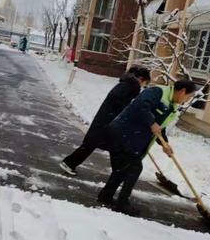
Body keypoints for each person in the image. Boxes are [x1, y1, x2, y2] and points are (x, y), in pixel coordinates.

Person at [98, 79, 197, 216]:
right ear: (182, 91)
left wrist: (165, 144)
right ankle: (122, 203)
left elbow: (160, 128)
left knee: (123, 168)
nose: (187, 100)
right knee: (134, 167)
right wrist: (151, 122)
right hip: (123, 133)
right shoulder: (157, 92)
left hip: (133, 138)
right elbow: (141, 105)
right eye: (189, 96)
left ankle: (106, 195)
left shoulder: (172, 107)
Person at [60, 66, 151, 176]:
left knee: (104, 146)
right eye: (145, 83)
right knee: (97, 145)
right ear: (140, 79)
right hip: (107, 121)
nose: (143, 86)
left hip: (108, 121)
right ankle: (69, 163)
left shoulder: (128, 85)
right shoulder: (130, 86)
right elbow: (116, 98)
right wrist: (126, 108)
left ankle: (117, 173)